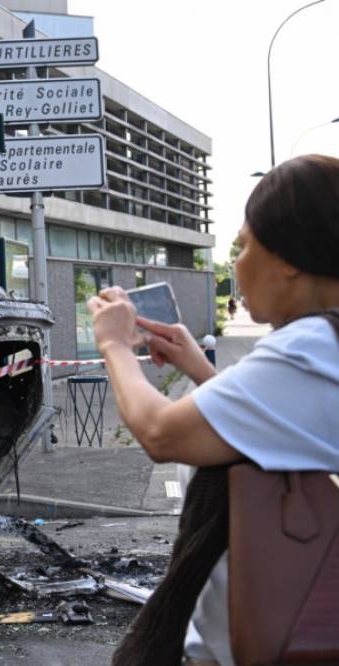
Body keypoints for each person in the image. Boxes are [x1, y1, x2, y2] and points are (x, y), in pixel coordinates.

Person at [87, 154, 339, 666]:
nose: (237, 264)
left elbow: (161, 433)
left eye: (244, 245)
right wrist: (198, 369)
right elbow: (285, 421)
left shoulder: (312, 347)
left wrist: (114, 345)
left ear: (288, 257)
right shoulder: (322, 348)